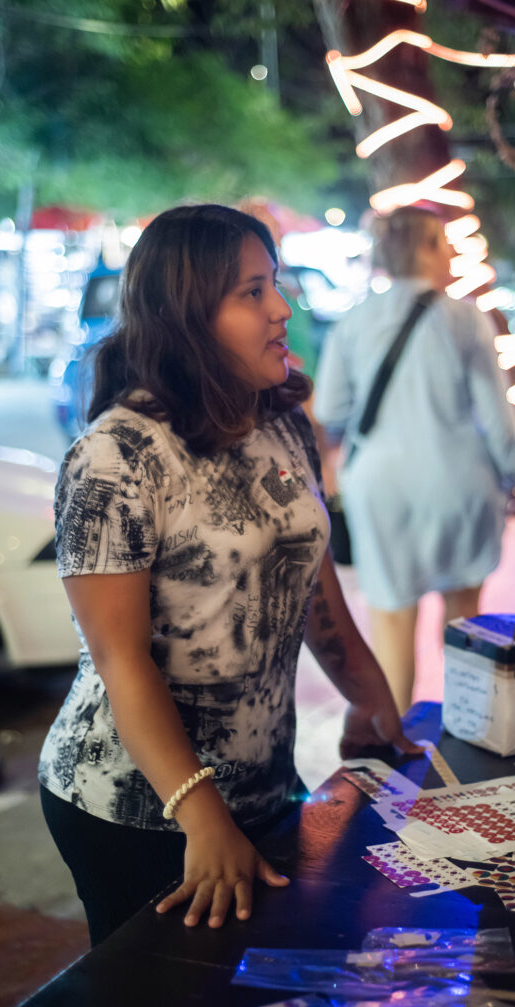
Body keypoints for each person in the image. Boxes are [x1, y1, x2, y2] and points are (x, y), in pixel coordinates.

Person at [38, 203, 422, 946]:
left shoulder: (278, 421)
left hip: (264, 787)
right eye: (252, 292)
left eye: (274, 283)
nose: (282, 308)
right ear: (187, 317)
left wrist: (370, 695)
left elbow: (311, 582)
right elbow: (120, 659)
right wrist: (203, 817)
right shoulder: (116, 456)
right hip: (138, 808)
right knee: (164, 1002)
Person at [313, 205, 515, 716]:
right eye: (445, 243)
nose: (451, 254)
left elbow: (330, 410)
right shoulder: (465, 318)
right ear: (428, 248)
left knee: (391, 621)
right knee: (465, 622)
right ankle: (465, 734)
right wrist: (513, 475)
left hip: (380, 486)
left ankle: (396, 747)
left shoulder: (354, 320)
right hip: (459, 480)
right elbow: (496, 415)